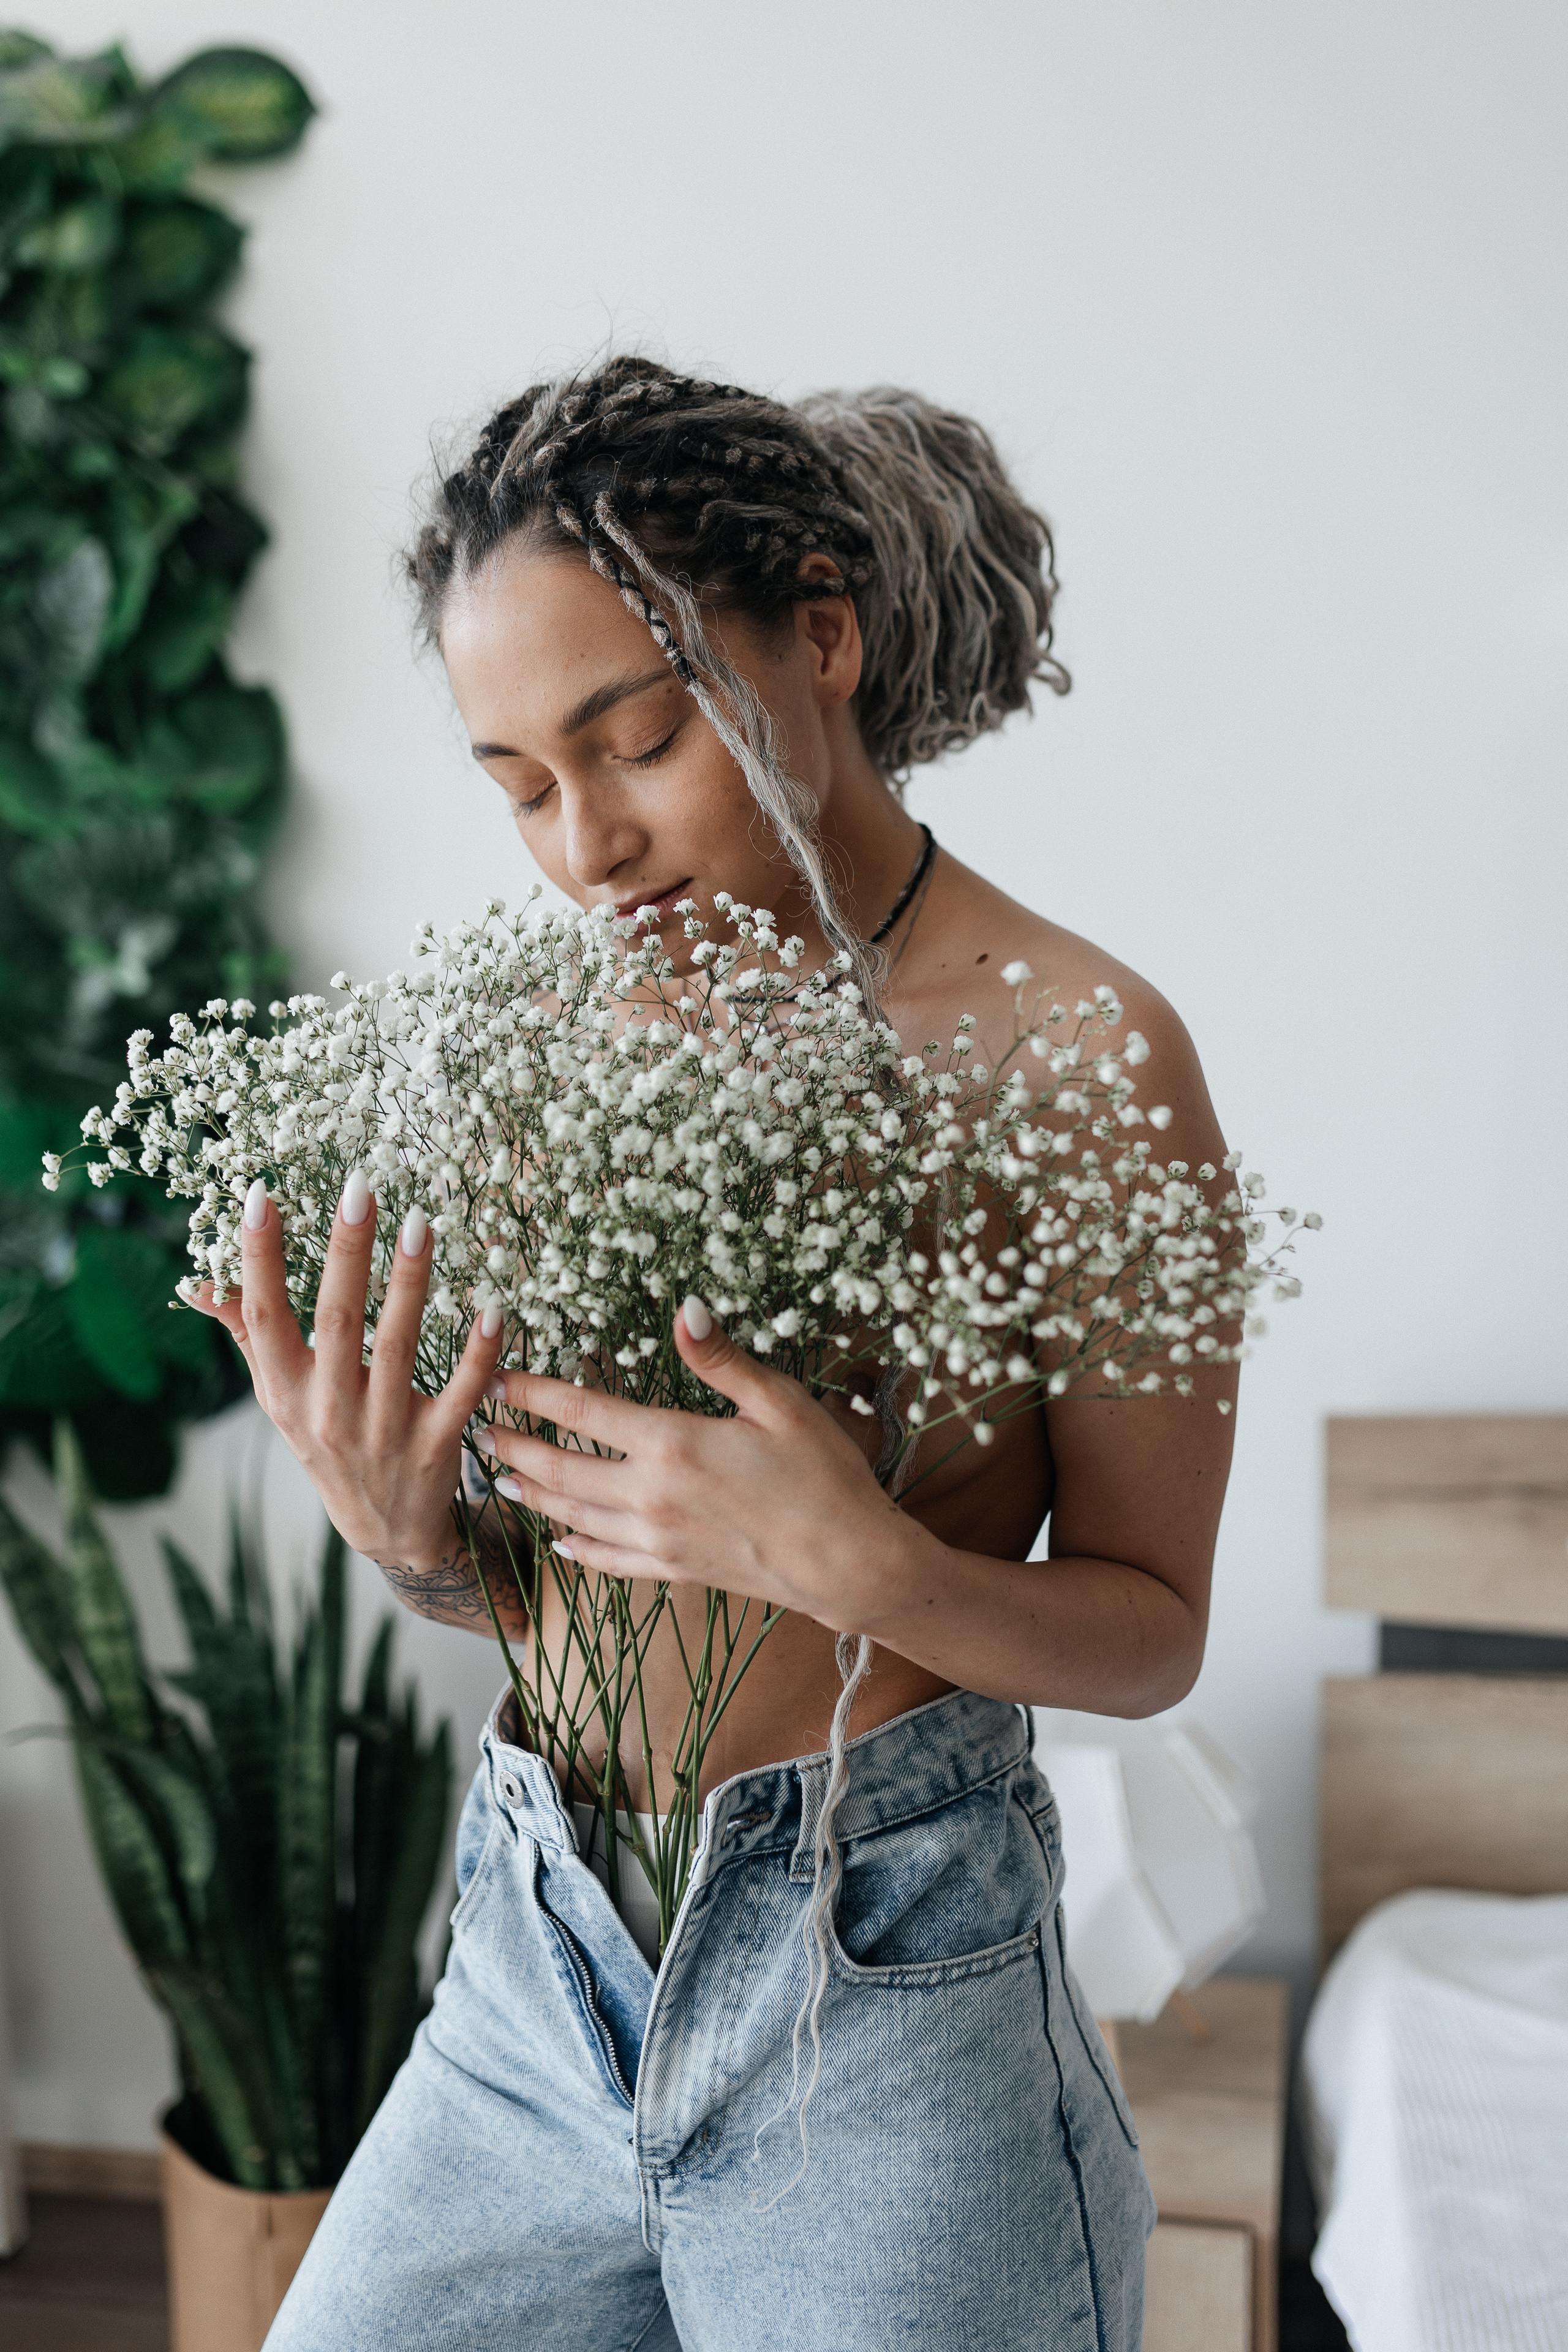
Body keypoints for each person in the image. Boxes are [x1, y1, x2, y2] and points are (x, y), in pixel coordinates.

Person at [198, 357, 1235, 2351]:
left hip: (885, 1987)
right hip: (535, 1948)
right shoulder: (557, 1056)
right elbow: (553, 1594)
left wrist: (876, 1572)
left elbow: (1155, 1626)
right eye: (517, 786)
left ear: (821, 636)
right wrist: (410, 1535)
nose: (586, 846)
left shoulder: (1083, 1053)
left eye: (639, 739)